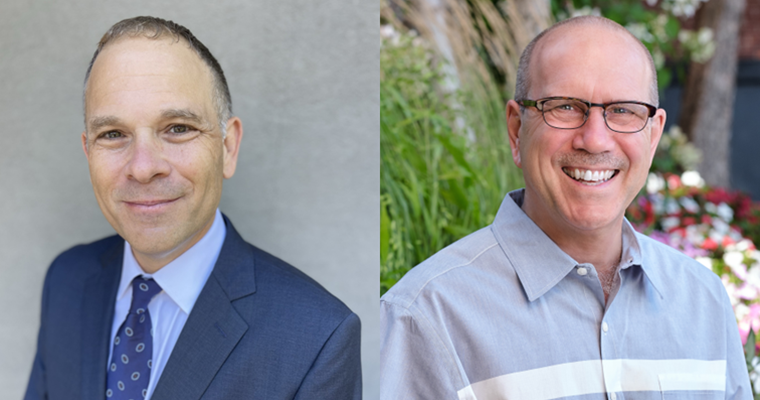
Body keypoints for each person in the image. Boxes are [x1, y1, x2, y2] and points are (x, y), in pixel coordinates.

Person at [380, 15, 751, 399]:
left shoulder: (704, 302)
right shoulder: (426, 317)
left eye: (623, 110)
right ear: (516, 129)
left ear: (653, 135)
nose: (594, 140)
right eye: (565, 107)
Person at [24, 16, 361, 400]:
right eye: (113, 135)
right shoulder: (66, 281)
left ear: (228, 147)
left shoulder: (316, 338)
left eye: (178, 128)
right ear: (88, 152)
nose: (144, 167)